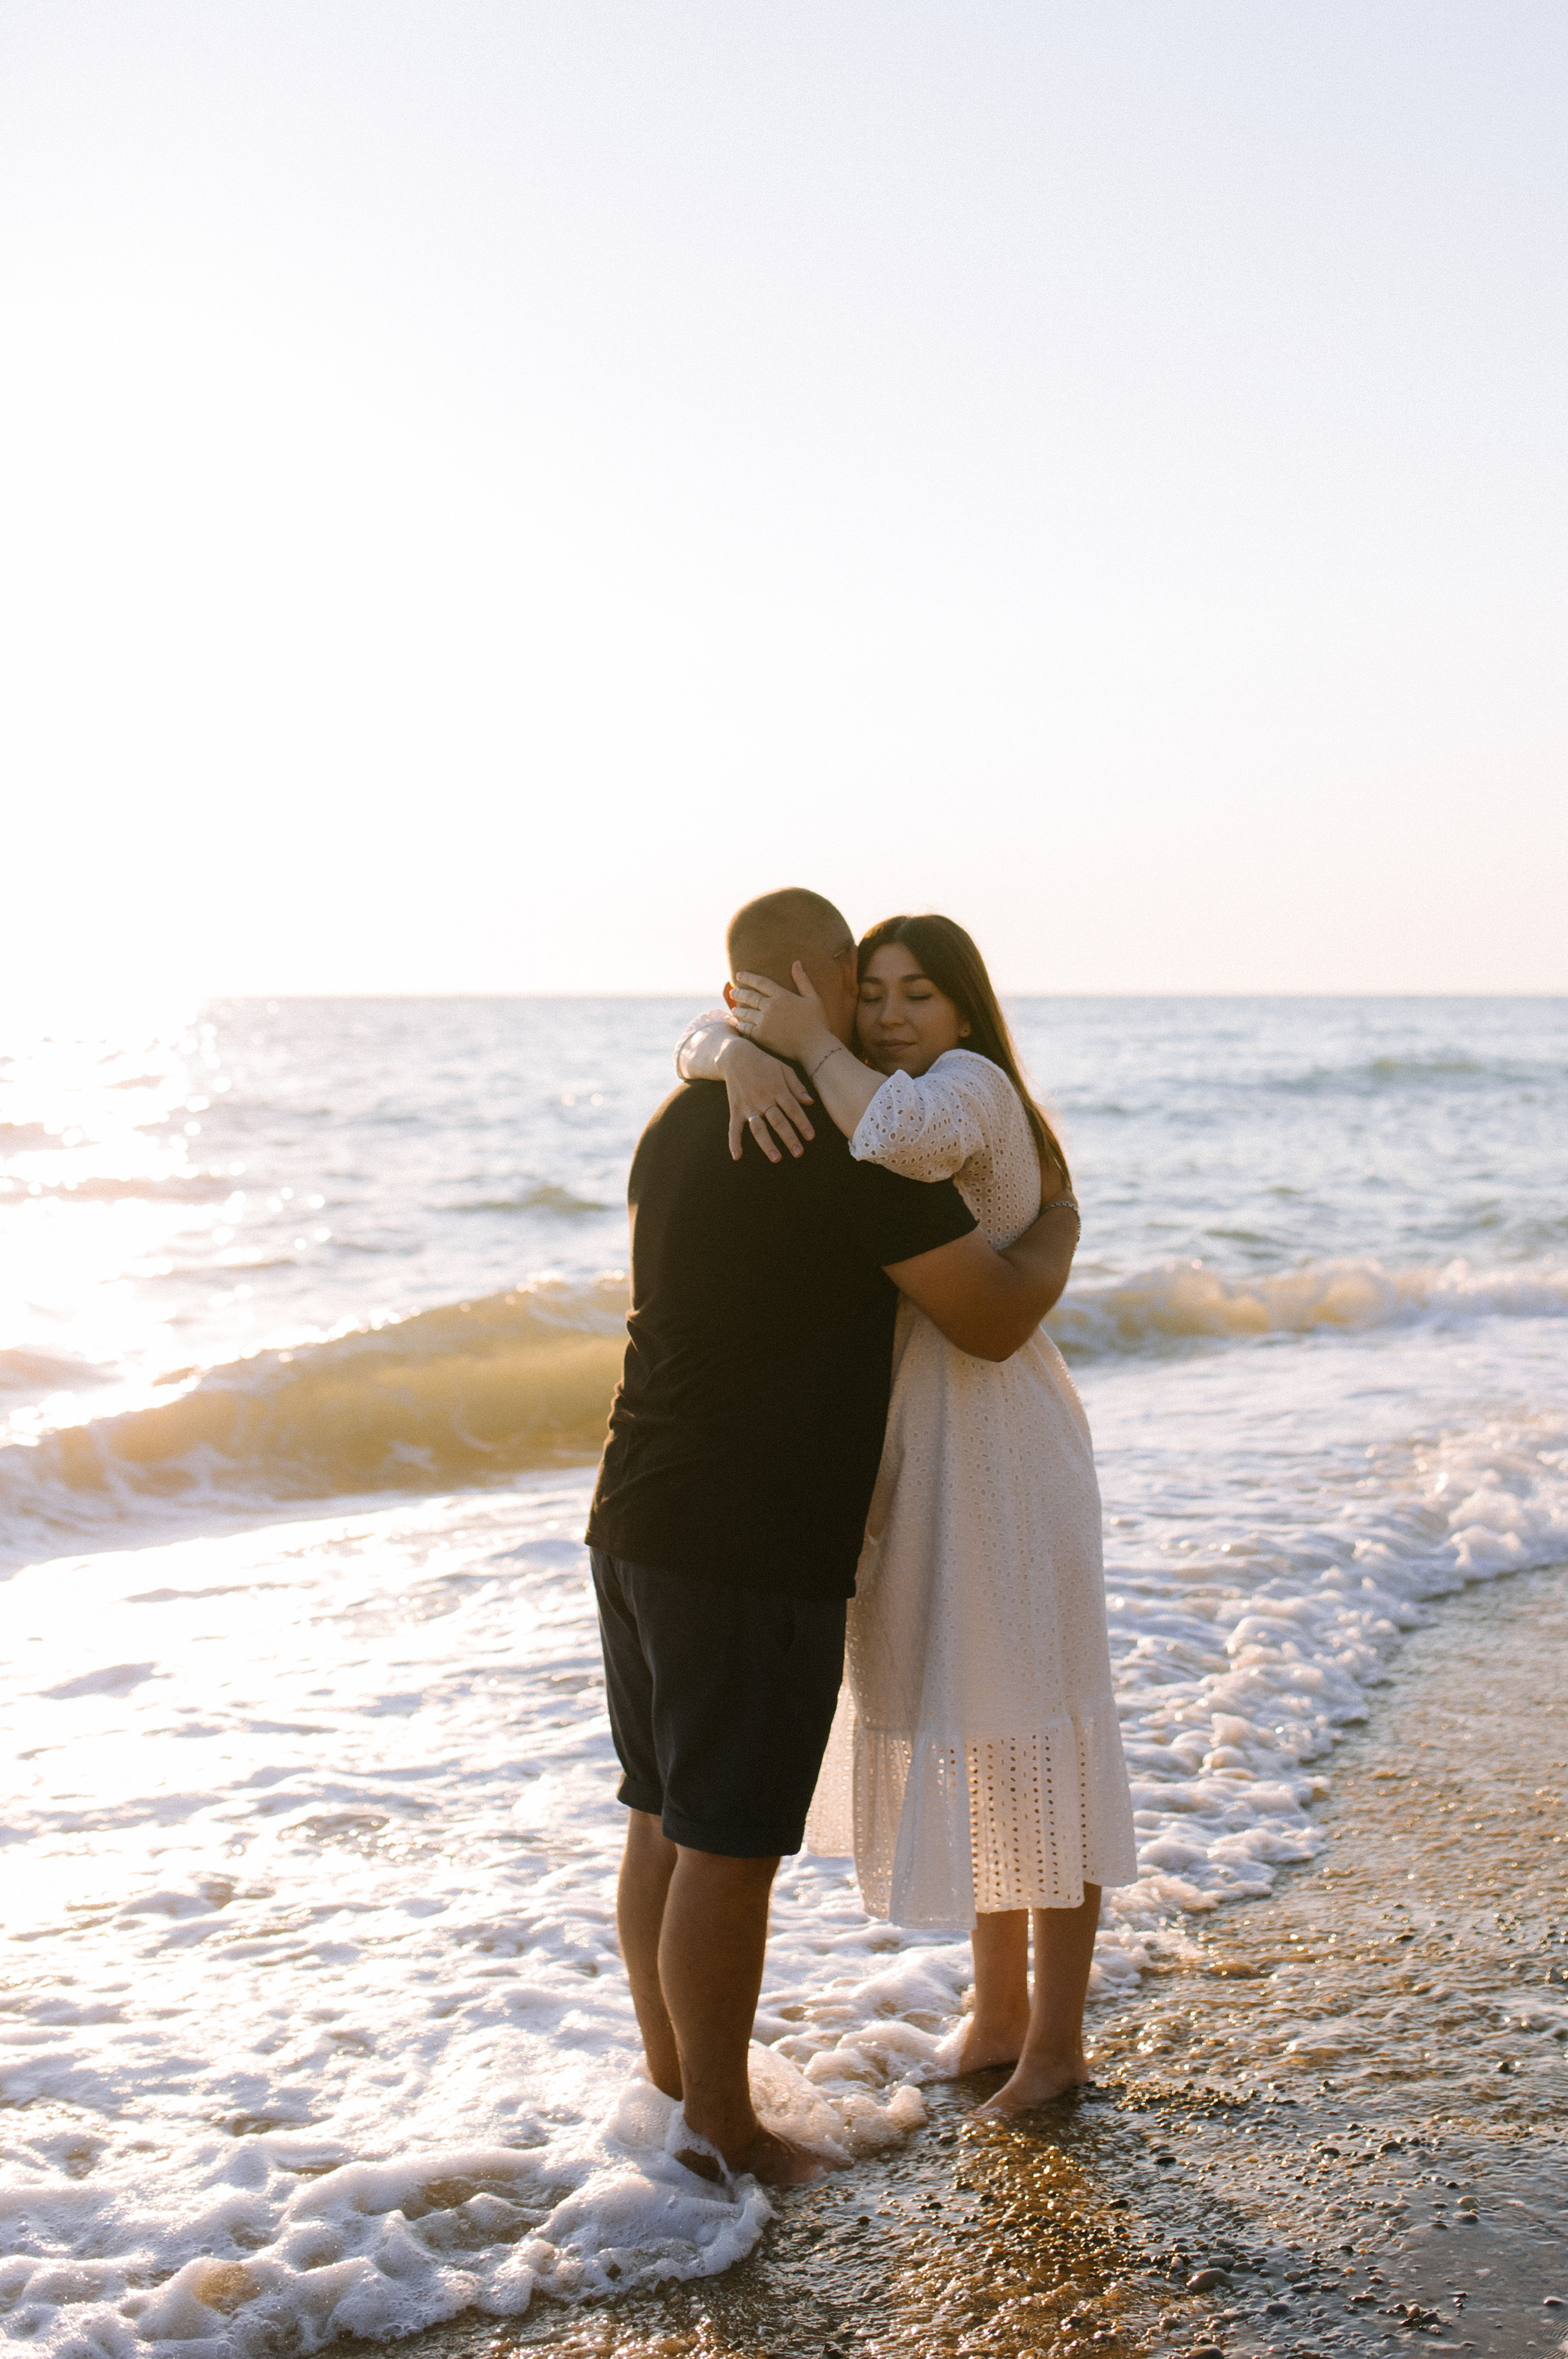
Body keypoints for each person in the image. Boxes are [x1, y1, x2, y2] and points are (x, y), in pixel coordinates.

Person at [584, 887, 1081, 2188]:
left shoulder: (678, 1116)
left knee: (661, 1815)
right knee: (731, 1846)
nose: (872, 1008)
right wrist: (1062, 1226)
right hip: (750, 1531)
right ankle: (726, 2133)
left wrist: (730, 1046)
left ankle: (671, 2090)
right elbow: (986, 1315)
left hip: (632, 1507)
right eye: (859, 983)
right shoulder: (839, 1142)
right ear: (812, 981)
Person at [679, 913, 1136, 2116]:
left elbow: (893, 1136)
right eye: (870, 993)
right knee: (988, 1739)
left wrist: (808, 1046)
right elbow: (703, 1051)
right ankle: (994, 2012)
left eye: (914, 994)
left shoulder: (962, 1087)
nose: (887, 1016)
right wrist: (727, 1050)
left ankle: (1058, 2043)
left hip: (1008, 1448)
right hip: (929, 1455)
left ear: (967, 1009)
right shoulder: (888, 1080)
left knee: (1042, 1739)